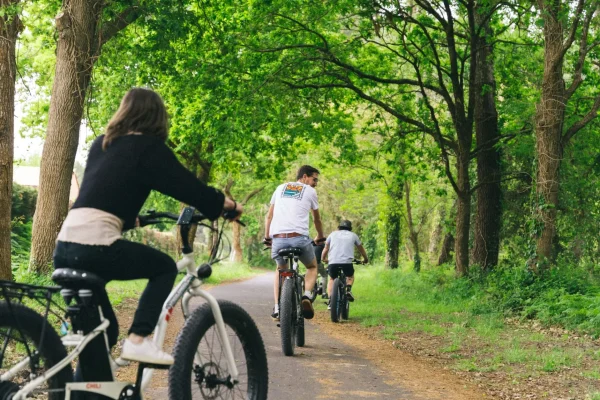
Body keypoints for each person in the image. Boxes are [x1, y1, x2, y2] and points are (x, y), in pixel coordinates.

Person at [53, 88, 242, 372]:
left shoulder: (102, 144)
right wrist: (224, 203)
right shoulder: (148, 148)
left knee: (102, 333)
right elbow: (186, 186)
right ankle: (139, 338)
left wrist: (132, 219)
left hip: (66, 247)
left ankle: (86, 391)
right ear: (157, 117)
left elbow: (101, 193)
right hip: (94, 248)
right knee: (165, 266)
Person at [264, 165, 325, 321]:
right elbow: (316, 219)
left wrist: (267, 237)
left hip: (278, 239)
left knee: (280, 270)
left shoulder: (280, 188)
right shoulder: (310, 191)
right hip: (300, 238)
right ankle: (306, 295)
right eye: (314, 179)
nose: (315, 183)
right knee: (312, 267)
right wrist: (320, 236)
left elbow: (269, 216)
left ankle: (277, 308)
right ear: (304, 177)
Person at [321, 220, 368, 306]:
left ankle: (331, 300)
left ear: (339, 227)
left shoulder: (332, 234)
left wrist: (323, 258)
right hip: (347, 263)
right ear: (350, 228)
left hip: (333, 262)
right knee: (350, 276)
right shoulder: (353, 235)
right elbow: (361, 249)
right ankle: (348, 289)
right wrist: (365, 259)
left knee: (332, 279)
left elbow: (326, 248)